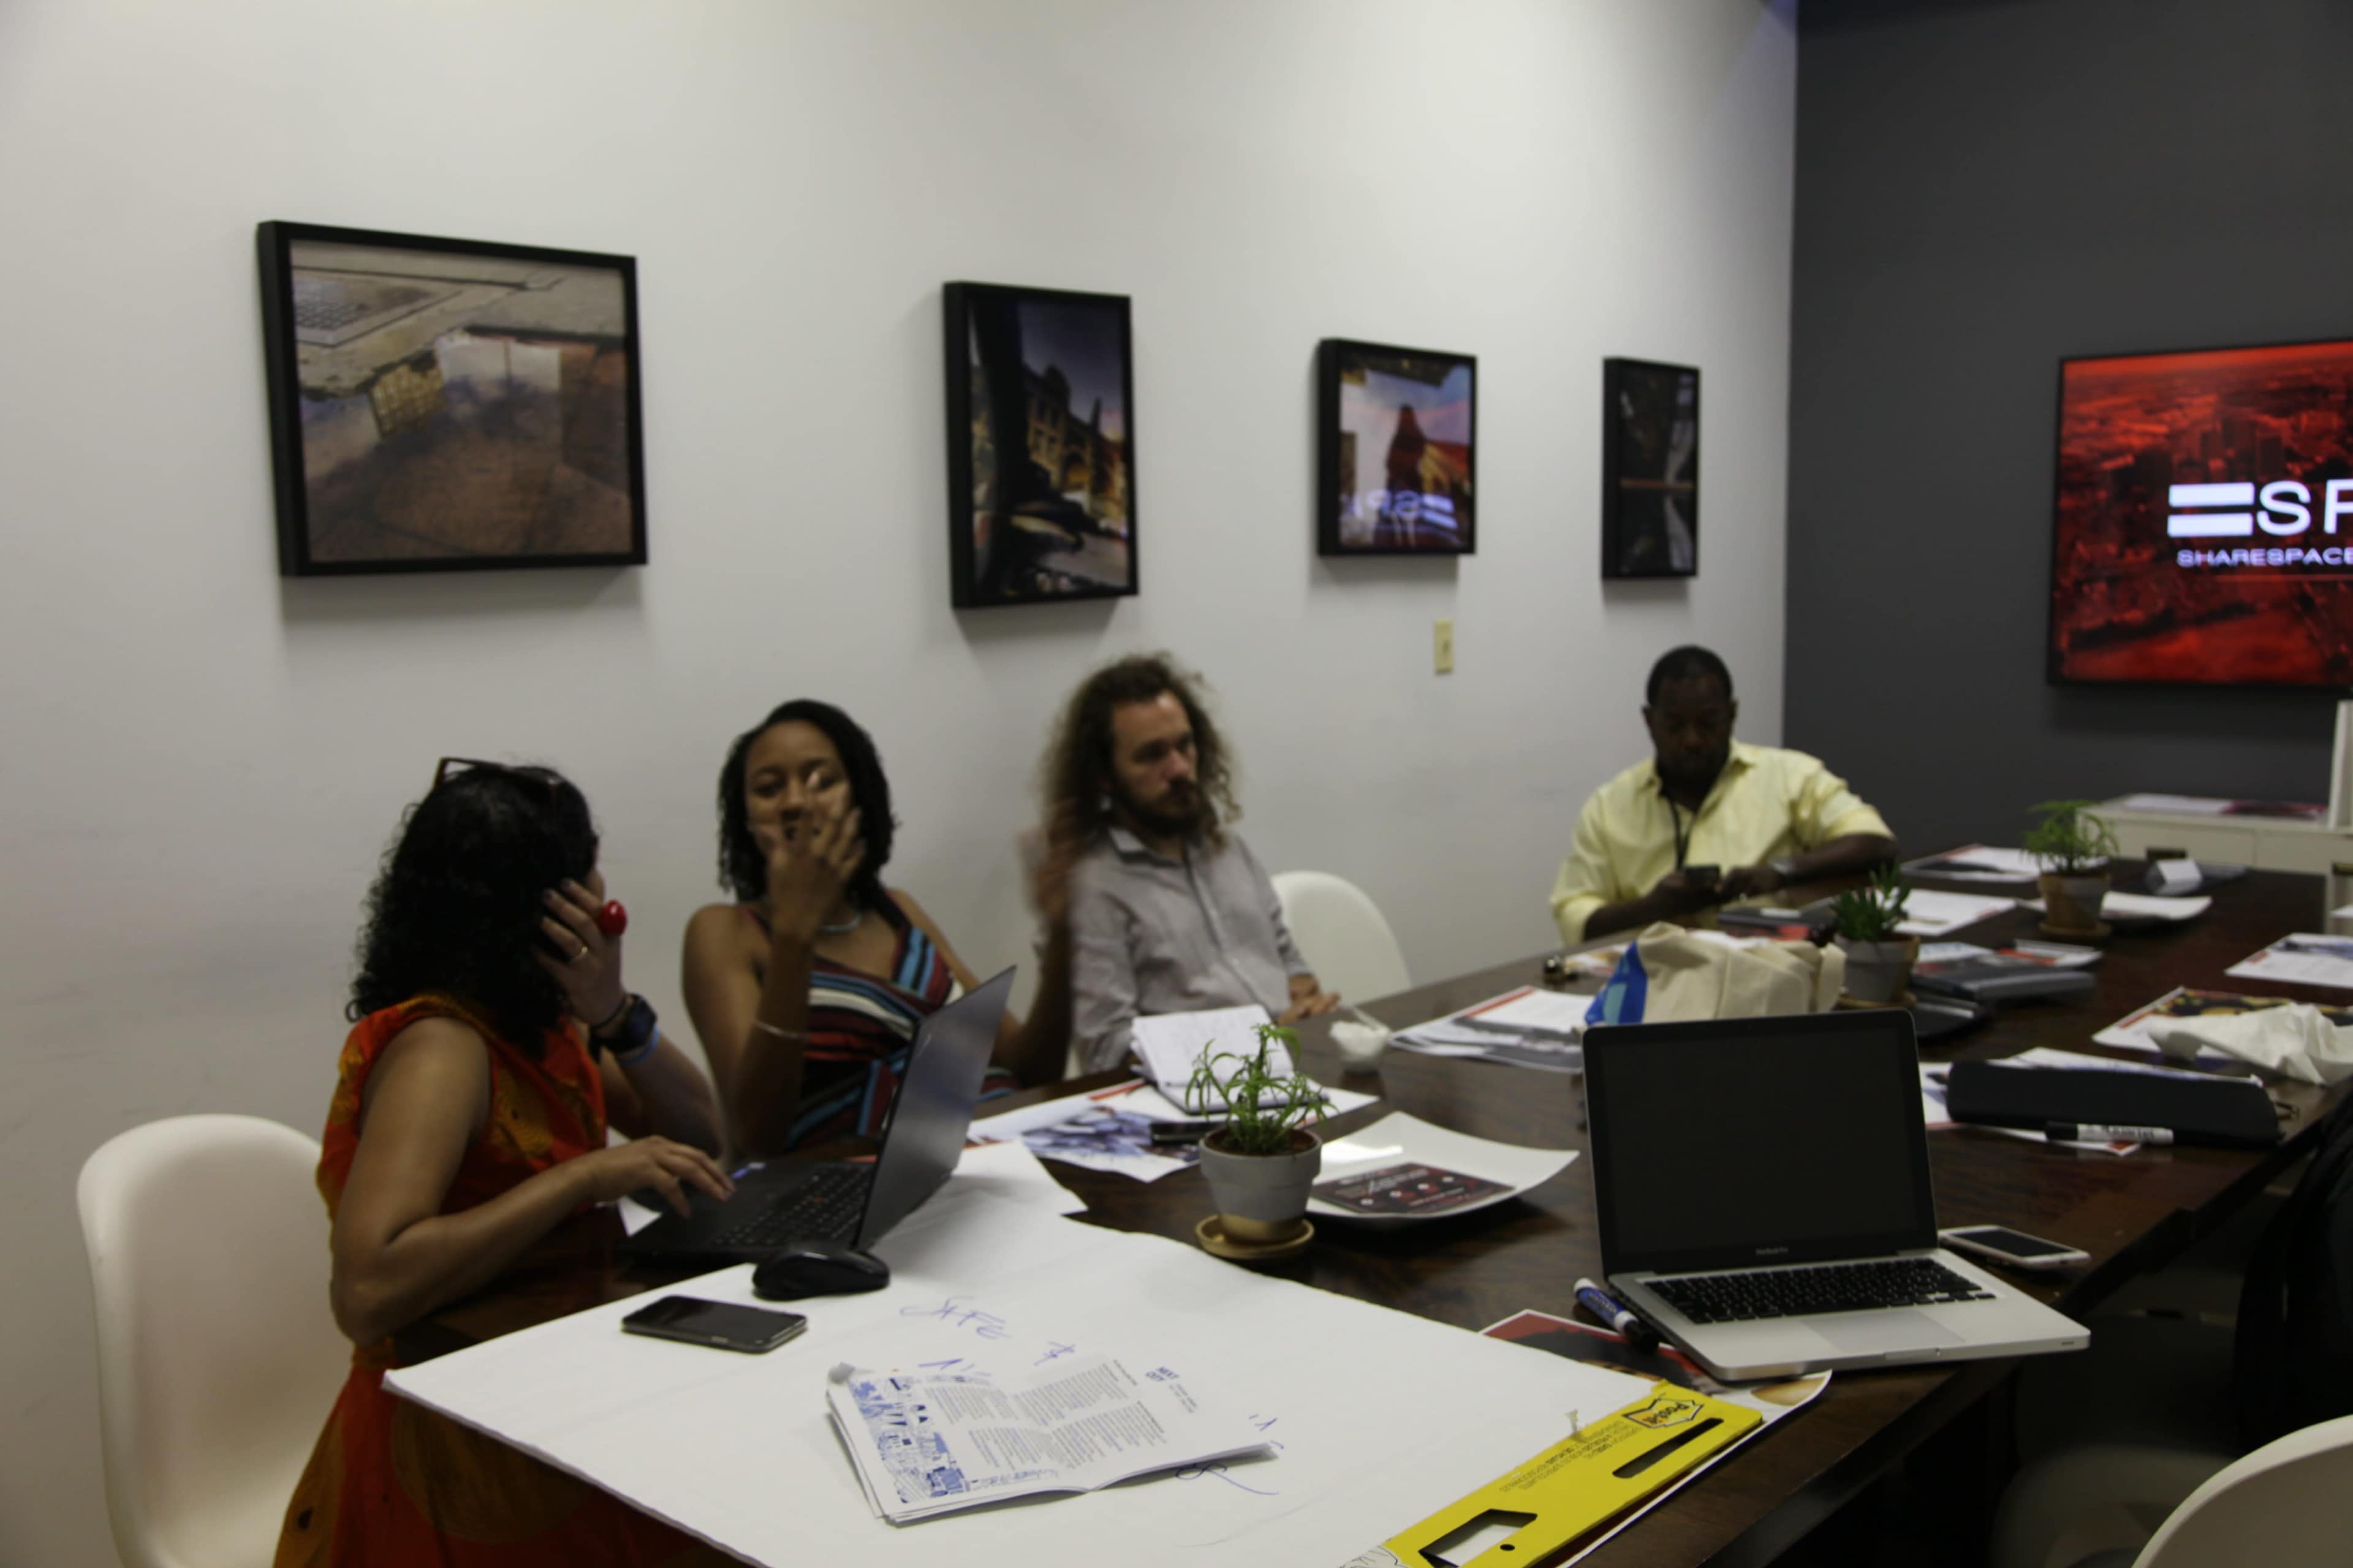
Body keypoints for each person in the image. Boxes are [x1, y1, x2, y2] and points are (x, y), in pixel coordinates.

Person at [278, 759, 735, 1566]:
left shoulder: (544, 1022)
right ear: (546, 906)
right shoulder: (443, 1049)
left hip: (536, 1388)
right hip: (449, 1442)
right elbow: (367, 1287)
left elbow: (703, 1133)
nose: (605, 893)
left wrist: (614, 1010)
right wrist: (582, 1178)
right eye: (588, 872)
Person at [681, 700, 1071, 1156]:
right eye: (769, 789)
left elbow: (1032, 1071)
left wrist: (1065, 936)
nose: (795, 802)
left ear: (860, 797)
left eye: (821, 781)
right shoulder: (724, 932)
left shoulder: (898, 910)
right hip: (866, 1193)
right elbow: (755, 1139)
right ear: (746, 820)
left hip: (1005, 1153)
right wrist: (794, 934)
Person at [1042, 653, 1339, 1075]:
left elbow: (1289, 961)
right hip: (1200, 1097)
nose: (1179, 768)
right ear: (1104, 775)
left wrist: (1306, 998)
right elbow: (1107, 1050)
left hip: (1289, 1071)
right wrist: (1259, 1041)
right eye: (1152, 755)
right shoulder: (1097, 884)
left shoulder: (1226, 848)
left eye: (1185, 745)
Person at [1551, 646, 1897, 944]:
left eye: (1708, 723)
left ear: (1732, 715)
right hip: (1651, 981)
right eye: (1674, 725)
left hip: (1770, 969)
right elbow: (1577, 918)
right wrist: (1655, 907)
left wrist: (1780, 872)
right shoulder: (1609, 806)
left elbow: (1876, 844)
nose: (1692, 740)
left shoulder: (1791, 777)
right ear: (1648, 720)